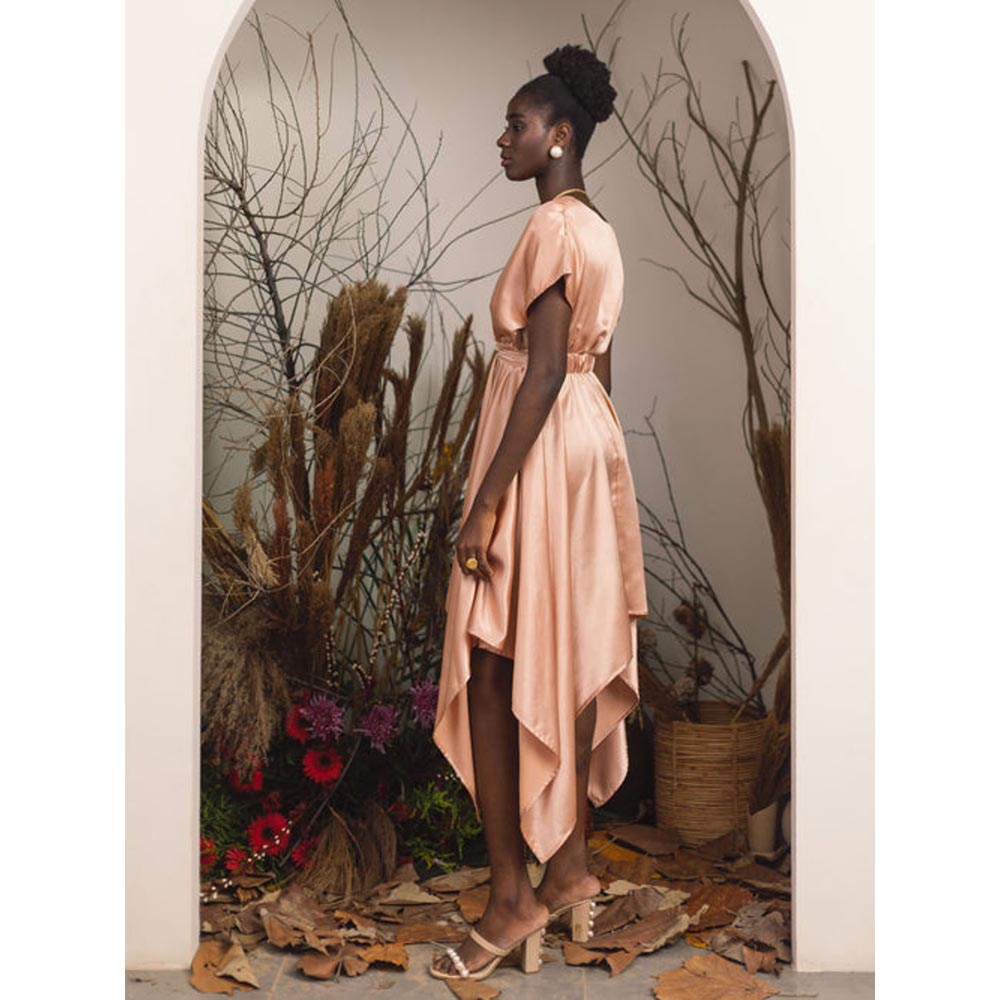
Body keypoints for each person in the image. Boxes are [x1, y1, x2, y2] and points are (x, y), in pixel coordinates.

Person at [429, 43, 648, 982]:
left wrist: (486, 504)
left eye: (516, 125)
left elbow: (547, 367)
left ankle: (513, 898)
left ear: (560, 136)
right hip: (585, 442)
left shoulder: (552, 227)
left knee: (489, 657)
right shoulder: (599, 230)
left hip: (541, 438)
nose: (502, 139)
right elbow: (592, 370)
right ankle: (569, 872)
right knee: (563, 645)